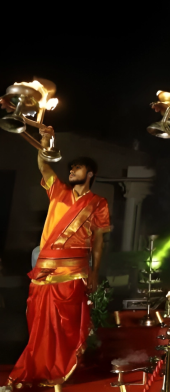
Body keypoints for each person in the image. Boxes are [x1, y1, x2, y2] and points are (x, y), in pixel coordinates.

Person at [8, 126, 112, 388]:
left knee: (65, 326)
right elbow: (44, 165)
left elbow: (98, 241)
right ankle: (32, 370)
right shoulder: (58, 191)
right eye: (70, 168)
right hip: (44, 270)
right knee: (39, 326)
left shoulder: (98, 203)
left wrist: (95, 272)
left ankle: (58, 371)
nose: (71, 171)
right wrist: (45, 141)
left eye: (77, 168)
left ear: (90, 174)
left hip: (74, 271)